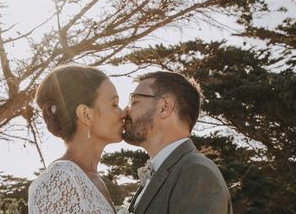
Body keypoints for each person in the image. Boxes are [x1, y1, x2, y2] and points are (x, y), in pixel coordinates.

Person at [123, 71, 232, 214]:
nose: (125, 111)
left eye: (134, 102)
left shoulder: (197, 173)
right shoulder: (165, 172)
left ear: (164, 107)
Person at [28, 65, 125, 214]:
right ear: (85, 114)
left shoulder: (94, 179)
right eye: (115, 104)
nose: (122, 113)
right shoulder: (60, 179)